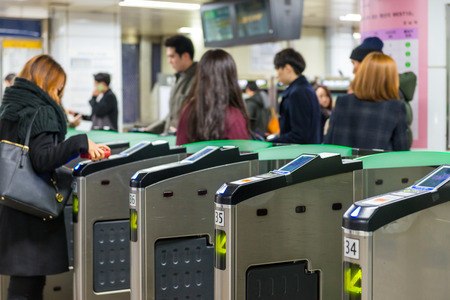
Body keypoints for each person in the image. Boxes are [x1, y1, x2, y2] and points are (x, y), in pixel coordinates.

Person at [0, 54, 109, 300]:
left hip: (12, 203)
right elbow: (41, 159)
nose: (60, 92)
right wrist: (80, 143)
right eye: (59, 87)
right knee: (27, 286)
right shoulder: (42, 110)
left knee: (24, 283)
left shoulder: (12, 105)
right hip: (33, 210)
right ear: (49, 83)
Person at [324, 52, 409, 151]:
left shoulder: (342, 101)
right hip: (378, 165)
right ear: (391, 78)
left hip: (344, 165)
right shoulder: (395, 107)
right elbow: (401, 151)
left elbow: (329, 142)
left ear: (363, 73)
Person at [176, 49, 250, 145]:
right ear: (231, 78)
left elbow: (180, 150)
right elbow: (244, 156)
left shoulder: (189, 110)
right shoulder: (233, 116)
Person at [268, 48, 321, 144]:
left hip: (299, 155)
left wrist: (270, 143)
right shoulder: (303, 89)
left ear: (288, 68)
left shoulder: (298, 93)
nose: (277, 75)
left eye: (278, 69)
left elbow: (300, 135)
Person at [147, 34, 197, 135]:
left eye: (172, 56)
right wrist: (149, 130)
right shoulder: (179, 78)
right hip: (170, 138)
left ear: (185, 56)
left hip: (184, 142)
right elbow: (172, 116)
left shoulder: (198, 80)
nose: (169, 61)